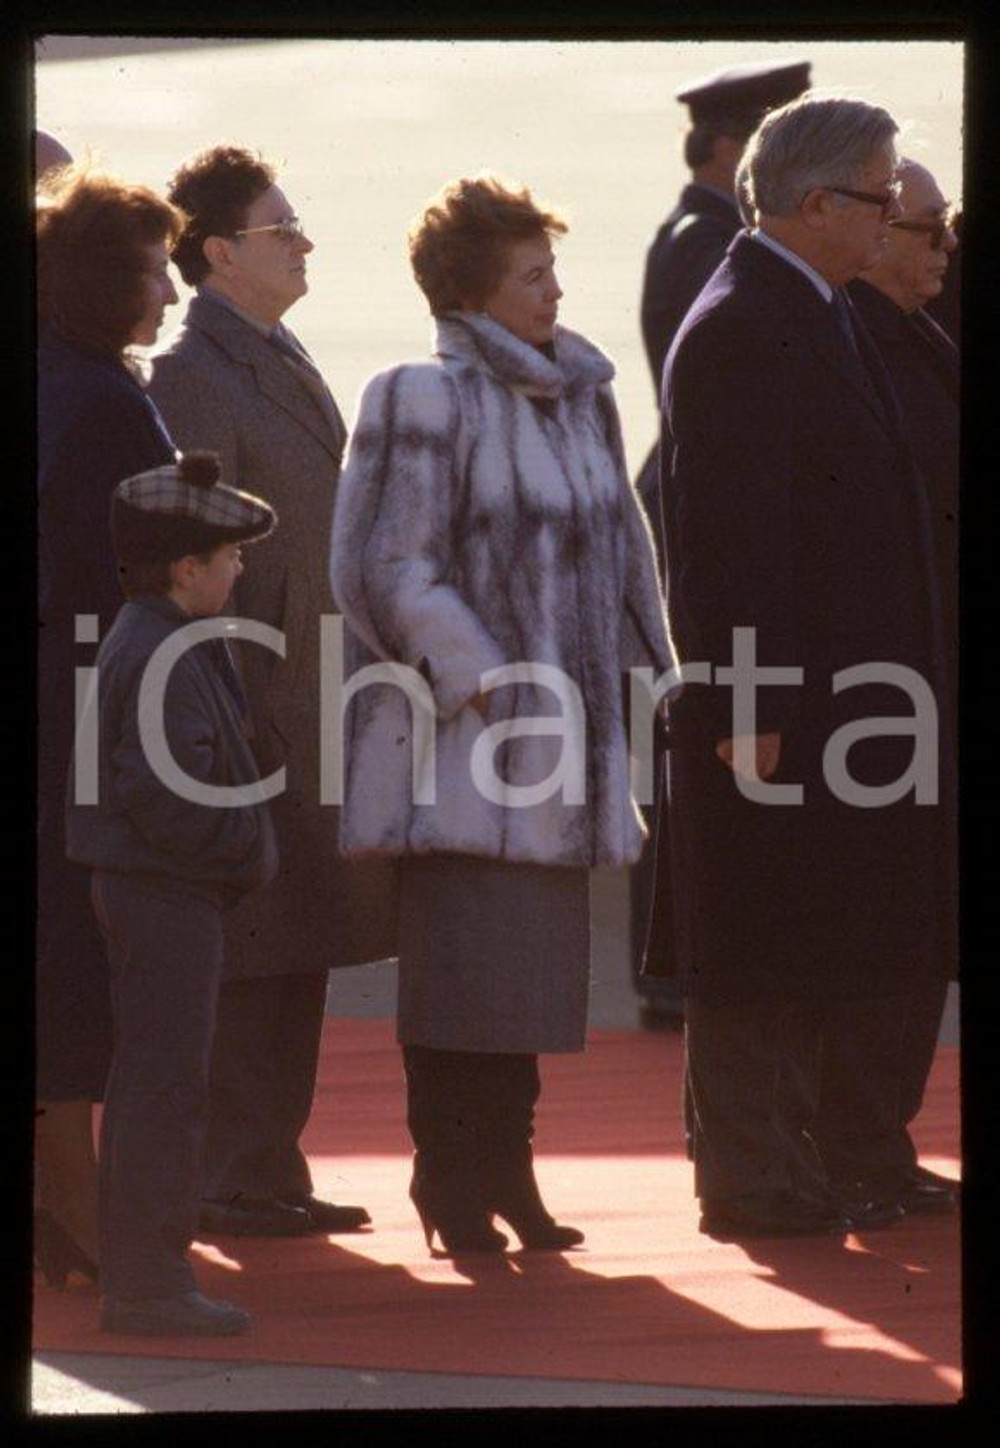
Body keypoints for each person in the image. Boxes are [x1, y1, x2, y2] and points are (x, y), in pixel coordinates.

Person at [329, 174, 673, 1254]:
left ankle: (509, 1173)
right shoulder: (419, 397)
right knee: (463, 975)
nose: (556, 292)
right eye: (534, 275)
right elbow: (383, 567)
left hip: (564, 751)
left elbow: (622, 550)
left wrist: (648, 672)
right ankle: (449, 1177)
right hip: (465, 752)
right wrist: (481, 680)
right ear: (474, 293)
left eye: (553, 271)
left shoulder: (582, 395)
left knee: (526, 982)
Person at [658, 95, 950, 1239]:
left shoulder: (811, 306)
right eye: (879, 201)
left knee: (813, 929)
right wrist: (743, 701)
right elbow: (727, 535)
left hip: (840, 701)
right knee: (760, 943)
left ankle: (791, 1162)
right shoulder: (742, 321)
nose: (892, 224)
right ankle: (749, 1175)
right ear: (817, 204)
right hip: (780, 705)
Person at [149, 146, 395, 1239]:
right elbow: (196, 559)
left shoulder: (269, 347)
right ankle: (234, 1172)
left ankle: (265, 1164)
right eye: (280, 228)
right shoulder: (196, 370)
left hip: (304, 687)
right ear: (216, 254)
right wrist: (227, 709)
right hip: (254, 694)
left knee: (295, 937)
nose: (302, 242)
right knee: (256, 944)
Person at [66, 452, 278, 1336]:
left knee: (156, 1079)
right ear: (186, 567)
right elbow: (164, 790)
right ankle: (150, 1282)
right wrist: (240, 851)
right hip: (166, 893)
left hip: (157, 889)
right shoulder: (161, 649)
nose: (239, 566)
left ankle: (146, 1272)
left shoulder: (155, 636)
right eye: (229, 555)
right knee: (165, 1085)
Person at [632, 57, 812, 1031]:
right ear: (735, 148)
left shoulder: (692, 234)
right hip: (702, 496)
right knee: (710, 730)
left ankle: (675, 960)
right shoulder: (709, 243)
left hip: (688, 487)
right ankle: (677, 962)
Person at [36, 165, 181, 1288]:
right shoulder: (108, 402)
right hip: (86, 713)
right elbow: (135, 577)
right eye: (156, 271)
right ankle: (81, 1220)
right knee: (84, 968)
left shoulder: (56, 381)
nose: (171, 293)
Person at [808, 159, 960, 1213]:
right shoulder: (844, 335)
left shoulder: (911, 331)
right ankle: (850, 1145)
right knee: (876, 930)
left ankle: (878, 1140)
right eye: (931, 230)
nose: (945, 249)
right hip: (876, 691)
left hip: (925, 681)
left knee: (916, 931)